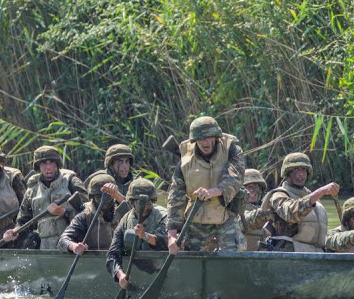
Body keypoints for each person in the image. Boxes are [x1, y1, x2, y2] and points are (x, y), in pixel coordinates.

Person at [166, 116, 246, 254]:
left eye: (209, 137)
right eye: (201, 139)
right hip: (197, 217)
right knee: (191, 259)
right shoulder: (185, 159)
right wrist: (171, 235)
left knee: (236, 253)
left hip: (225, 214)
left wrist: (212, 192)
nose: (205, 142)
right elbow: (175, 196)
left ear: (216, 136)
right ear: (195, 140)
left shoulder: (231, 149)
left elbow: (235, 178)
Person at [2, 146, 88, 249]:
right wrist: (14, 231)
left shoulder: (71, 182)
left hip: (72, 244)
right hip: (44, 246)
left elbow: (88, 213)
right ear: (38, 166)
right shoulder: (32, 190)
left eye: (51, 162)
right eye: (43, 163)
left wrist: (64, 212)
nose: (48, 167)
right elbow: (24, 221)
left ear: (57, 164)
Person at [261, 152, 339, 252]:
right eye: (296, 169)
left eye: (303, 170)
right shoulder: (279, 195)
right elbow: (291, 213)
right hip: (289, 255)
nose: (301, 173)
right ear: (287, 173)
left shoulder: (313, 198)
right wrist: (321, 191)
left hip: (315, 254)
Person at [106, 178, 168, 289]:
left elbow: (166, 242)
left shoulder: (162, 215)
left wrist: (145, 236)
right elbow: (112, 254)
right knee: (129, 237)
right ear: (132, 202)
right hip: (138, 272)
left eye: (149, 202)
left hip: (165, 270)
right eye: (141, 202)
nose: (145, 206)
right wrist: (120, 276)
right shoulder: (125, 220)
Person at [57, 173, 120, 253]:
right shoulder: (85, 215)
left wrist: (119, 197)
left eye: (107, 195)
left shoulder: (122, 210)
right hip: (93, 262)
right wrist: (74, 246)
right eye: (98, 197)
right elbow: (62, 241)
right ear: (92, 197)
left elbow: (134, 219)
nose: (103, 200)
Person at [84, 144, 134, 221]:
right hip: (101, 223)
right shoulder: (98, 180)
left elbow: (140, 212)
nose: (124, 166)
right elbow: (85, 206)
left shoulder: (136, 182)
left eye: (127, 161)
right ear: (110, 164)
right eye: (120, 162)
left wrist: (118, 196)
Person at [241, 169, 272, 251]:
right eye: (248, 187)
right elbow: (246, 221)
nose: (252, 191)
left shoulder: (263, 207)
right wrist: (266, 214)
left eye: (256, 187)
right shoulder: (234, 209)